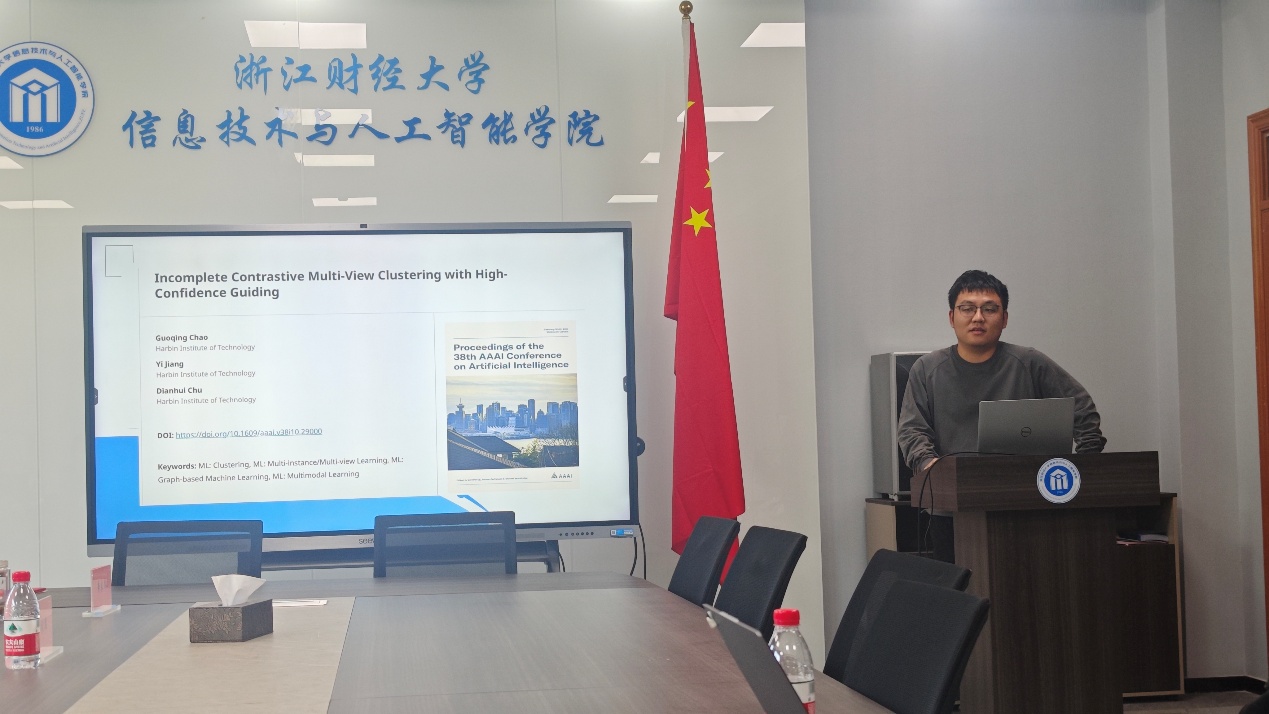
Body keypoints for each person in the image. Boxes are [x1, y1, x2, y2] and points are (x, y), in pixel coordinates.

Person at [897, 270, 1106, 558]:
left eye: (989, 309)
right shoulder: (927, 369)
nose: (978, 317)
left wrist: (1083, 468)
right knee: (959, 582)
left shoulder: (1029, 362)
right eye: (967, 308)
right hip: (951, 510)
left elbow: (1082, 410)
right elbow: (911, 430)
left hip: (1026, 505)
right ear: (952, 317)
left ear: (1004, 318)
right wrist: (930, 465)